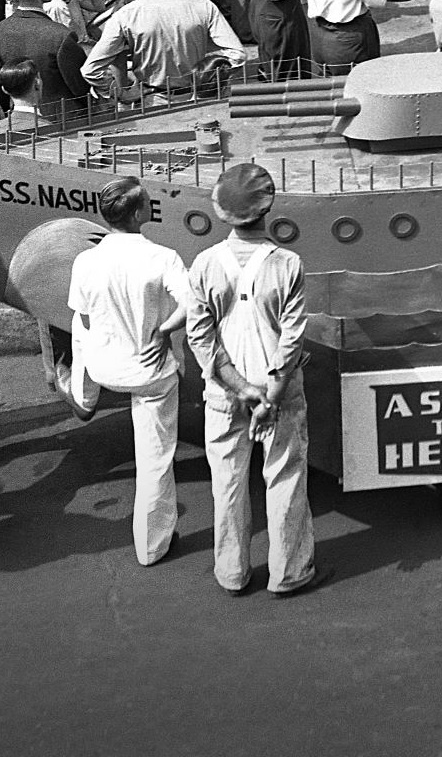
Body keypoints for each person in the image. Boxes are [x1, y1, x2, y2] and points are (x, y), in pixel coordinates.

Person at [185, 163, 322, 597]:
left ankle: (231, 572)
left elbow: (200, 337)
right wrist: (270, 396)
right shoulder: (288, 264)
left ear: (222, 212)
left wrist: (241, 389)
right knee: (285, 478)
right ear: (268, 208)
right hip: (279, 394)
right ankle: (290, 572)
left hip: (224, 395)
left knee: (227, 483)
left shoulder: (205, 264)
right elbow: (293, 338)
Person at [55, 176, 190, 566]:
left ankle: (83, 395)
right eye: (147, 201)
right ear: (137, 213)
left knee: (81, 323)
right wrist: (164, 330)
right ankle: (152, 547)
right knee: (155, 459)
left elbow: (81, 315)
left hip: (101, 366)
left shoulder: (85, 260)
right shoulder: (163, 257)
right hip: (149, 373)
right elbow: (191, 305)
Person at [82, 0, 245, 101]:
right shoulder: (203, 6)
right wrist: (209, 76)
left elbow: (91, 70)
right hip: (197, 99)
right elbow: (237, 55)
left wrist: (120, 93)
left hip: (149, 102)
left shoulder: (126, 15)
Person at [0, 0, 90, 110]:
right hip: (66, 123)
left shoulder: (2, 30)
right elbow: (82, 88)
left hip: (20, 123)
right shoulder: (61, 36)